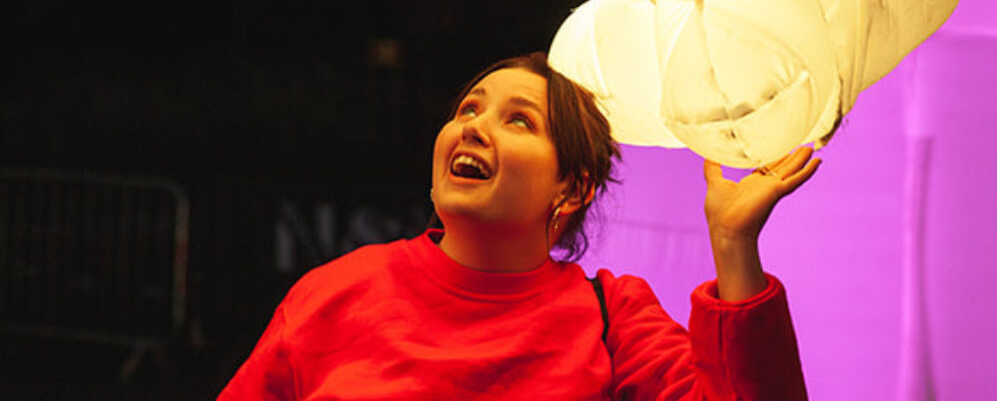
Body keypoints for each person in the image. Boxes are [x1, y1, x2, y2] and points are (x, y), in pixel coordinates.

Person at [220, 52, 820, 399]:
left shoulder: (614, 316)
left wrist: (734, 246)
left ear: (573, 187)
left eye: (520, 122)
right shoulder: (335, 293)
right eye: (468, 109)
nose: (474, 126)